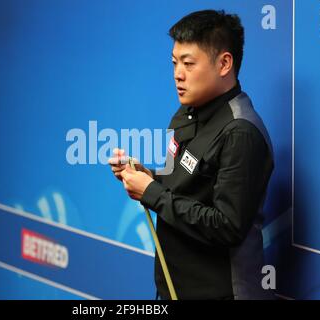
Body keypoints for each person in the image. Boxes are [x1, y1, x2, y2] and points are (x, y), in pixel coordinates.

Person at [108, 10, 274, 300]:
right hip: (174, 288)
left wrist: (152, 194)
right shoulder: (186, 114)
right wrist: (148, 177)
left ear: (224, 63)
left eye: (188, 63)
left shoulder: (241, 132)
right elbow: (183, 187)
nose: (177, 74)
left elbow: (227, 227)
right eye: (174, 63)